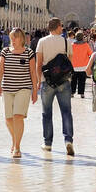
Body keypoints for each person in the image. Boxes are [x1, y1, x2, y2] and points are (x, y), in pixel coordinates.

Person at [35, 18, 74, 155]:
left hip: (47, 81)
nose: (62, 28)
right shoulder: (66, 41)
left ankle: (47, 143)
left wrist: (39, 80)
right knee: (66, 112)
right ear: (58, 27)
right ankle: (68, 140)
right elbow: (70, 61)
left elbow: (38, 63)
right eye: (61, 26)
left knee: (47, 113)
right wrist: (68, 77)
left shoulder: (42, 41)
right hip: (63, 81)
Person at [0, 27, 37, 158]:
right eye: (11, 38)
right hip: (7, 88)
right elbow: (0, 70)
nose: (12, 40)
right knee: (8, 119)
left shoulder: (29, 53)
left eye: (15, 38)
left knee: (18, 116)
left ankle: (17, 147)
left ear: (21, 39)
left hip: (23, 88)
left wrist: (35, 90)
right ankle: (14, 140)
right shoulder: (5, 52)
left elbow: (32, 72)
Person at [70, 30, 92, 98]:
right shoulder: (86, 45)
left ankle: (72, 93)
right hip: (83, 66)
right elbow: (90, 54)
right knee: (82, 80)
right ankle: (82, 93)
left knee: (73, 80)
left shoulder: (72, 45)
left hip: (74, 66)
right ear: (82, 37)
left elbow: (69, 55)